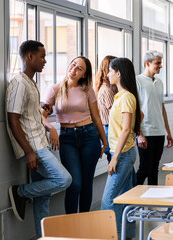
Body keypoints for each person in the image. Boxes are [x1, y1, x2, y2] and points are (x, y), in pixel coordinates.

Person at [6, 40, 72, 238]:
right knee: (63, 179)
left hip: (40, 142)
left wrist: (44, 111)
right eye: (42, 56)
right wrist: (28, 152)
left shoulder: (31, 83)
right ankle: (20, 192)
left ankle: (42, 237)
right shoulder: (18, 83)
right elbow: (13, 119)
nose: (45, 61)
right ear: (30, 57)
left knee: (43, 198)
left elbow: (30, 115)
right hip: (34, 147)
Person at [42, 56, 108, 214]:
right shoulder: (55, 89)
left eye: (80, 68)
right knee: (74, 183)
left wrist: (104, 143)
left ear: (84, 75)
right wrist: (51, 128)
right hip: (67, 138)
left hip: (89, 136)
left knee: (86, 184)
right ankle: (71, 224)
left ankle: (84, 221)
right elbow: (41, 115)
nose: (74, 69)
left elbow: (97, 118)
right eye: (73, 65)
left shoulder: (87, 90)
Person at [101, 57, 141, 240]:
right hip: (123, 152)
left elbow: (126, 128)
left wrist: (115, 157)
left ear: (118, 73)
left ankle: (111, 236)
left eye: (110, 71)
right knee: (124, 198)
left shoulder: (126, 97)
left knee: (108, 200)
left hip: (123, 154)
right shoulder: (122, 96)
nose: (107, 74)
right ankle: (127, 236)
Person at [135, 50, 173, 185]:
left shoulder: (159, 82)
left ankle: (152, 201)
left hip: (159, 132)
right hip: (146, 131)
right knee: (144, 169)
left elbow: (161, 108)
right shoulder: (137, 81)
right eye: (157, 63)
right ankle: (131, 200)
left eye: (160, 63)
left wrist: (168, 132)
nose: (160, 66)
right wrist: (139, 134)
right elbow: (135, 110)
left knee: (154, 169)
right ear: (147, 63)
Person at [94, 55, 117, 163]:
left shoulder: (109, 88)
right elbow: (116, 113)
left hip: (110, 128)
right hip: (110, 129)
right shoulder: (107, 89)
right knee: (116, 165)